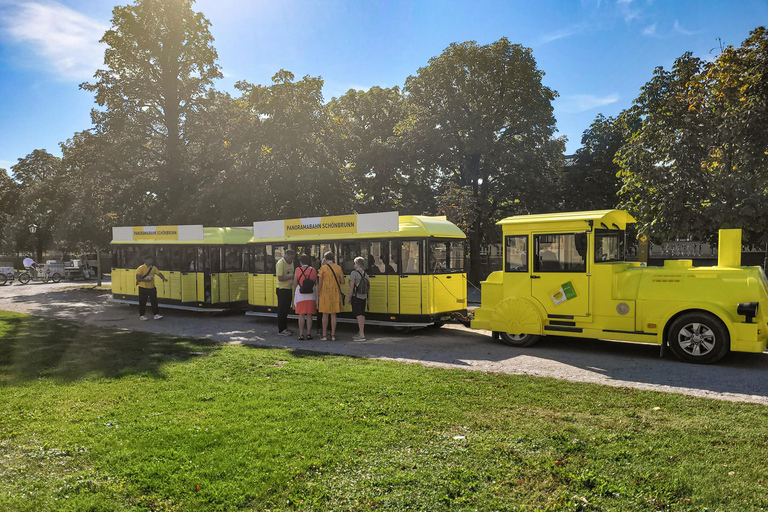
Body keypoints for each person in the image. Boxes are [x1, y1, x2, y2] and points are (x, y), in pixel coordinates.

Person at [317, 251, 344, 341]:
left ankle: (324, 335)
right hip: (335, 293)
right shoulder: (338, 268)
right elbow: (343, 281)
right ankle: (333, 335)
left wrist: (318, 292)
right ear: (333, 258)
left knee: (324, 315)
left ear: (325, 258)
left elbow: (319, 283)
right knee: (333, 315)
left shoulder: (323, 268)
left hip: (325, 293)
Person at [293, 254, 317, 340]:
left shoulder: (297, 270)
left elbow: (295, 283)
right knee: (309, 315)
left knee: (301, 315)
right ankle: (309, 333)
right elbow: (315, 283)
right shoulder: (313, 270)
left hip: (301, 295)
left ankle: (301, 334)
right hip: (311, 294)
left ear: (300, 262)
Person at [135, 255, 167, 321]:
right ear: (145, 260)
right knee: (143, 302)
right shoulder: (141, 268)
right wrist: (146, 280)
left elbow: (159, 273)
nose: (151, 261)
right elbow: (138, 278)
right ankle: (142, 315)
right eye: (150, 259)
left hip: (152, 287)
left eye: (151, 260)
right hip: (143, 287)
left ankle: (156, 314)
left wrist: (163, 278)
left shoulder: (153, 268)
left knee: (154, 301)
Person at [348, 256, 369, 341]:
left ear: (357, 264)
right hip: (363, 296)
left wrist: (349, 296)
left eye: (355, 263)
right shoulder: (365, 274)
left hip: (356, 296)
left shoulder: (354, 273)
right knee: (362, 314)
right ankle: (361, 331)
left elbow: (351, 286)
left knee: (358, 315)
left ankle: (361, 335)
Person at [275, 249, 295, 336]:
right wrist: (291, 277)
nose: (291, 260)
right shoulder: (280, 263)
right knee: (282, 310)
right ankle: (281, 329)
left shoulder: (292, 262)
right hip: (282, 289)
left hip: (289, 288)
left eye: (292, 258)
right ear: (286, 255)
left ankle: (285, 327)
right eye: (289, 258)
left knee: (286, 309)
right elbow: (280, 278)